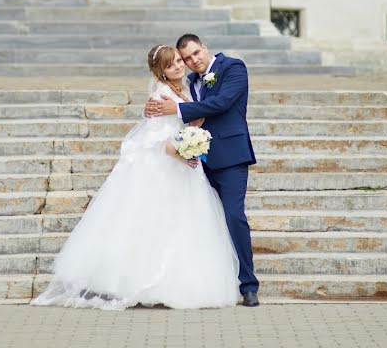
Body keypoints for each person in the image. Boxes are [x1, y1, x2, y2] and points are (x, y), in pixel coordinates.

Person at [31, 45, 239, 310]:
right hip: (169, 166)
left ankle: (177, 281)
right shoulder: (162, 94)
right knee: (158, 223)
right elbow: (157, 138)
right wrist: (182, 152)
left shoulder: (187, 87)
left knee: (184, 223)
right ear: (160, 73)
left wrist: (194, 132)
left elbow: (193, 117)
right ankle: (143, 282)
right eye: (170, 65)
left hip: (186, 168)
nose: (178, 66)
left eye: (178, 61)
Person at [145, 34, 260, 307]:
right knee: (203, 221)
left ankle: (249, 285)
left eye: (196, 53)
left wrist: (178, 108)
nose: (193, 61)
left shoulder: (232, 68)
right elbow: (169, 116)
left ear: (204, 48)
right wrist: (155, 108)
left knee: (233, 216)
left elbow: (221, 103)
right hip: (197, 163)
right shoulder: (189, 82)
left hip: (231, 157)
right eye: (186, 58)